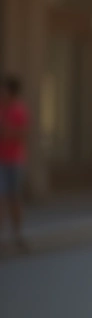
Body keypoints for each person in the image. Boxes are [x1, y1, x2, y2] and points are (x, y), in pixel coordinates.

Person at [0, 75, 30, 252]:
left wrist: (7, 131)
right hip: (1, 160)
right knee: (1, 198)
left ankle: (18, 234)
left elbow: (22, 133)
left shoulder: (19, 110)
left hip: (15, 160)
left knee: (14, 198)